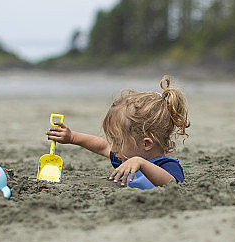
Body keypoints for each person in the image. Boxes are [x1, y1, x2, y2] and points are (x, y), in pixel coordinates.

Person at [46, 76, 190, 189]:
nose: (114, 148)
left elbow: (171, 184)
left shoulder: (167, 166)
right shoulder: (127, 156)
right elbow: (102, 146)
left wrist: (141, 163)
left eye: (119, 142)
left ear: (146, 143)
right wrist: (72, 137)